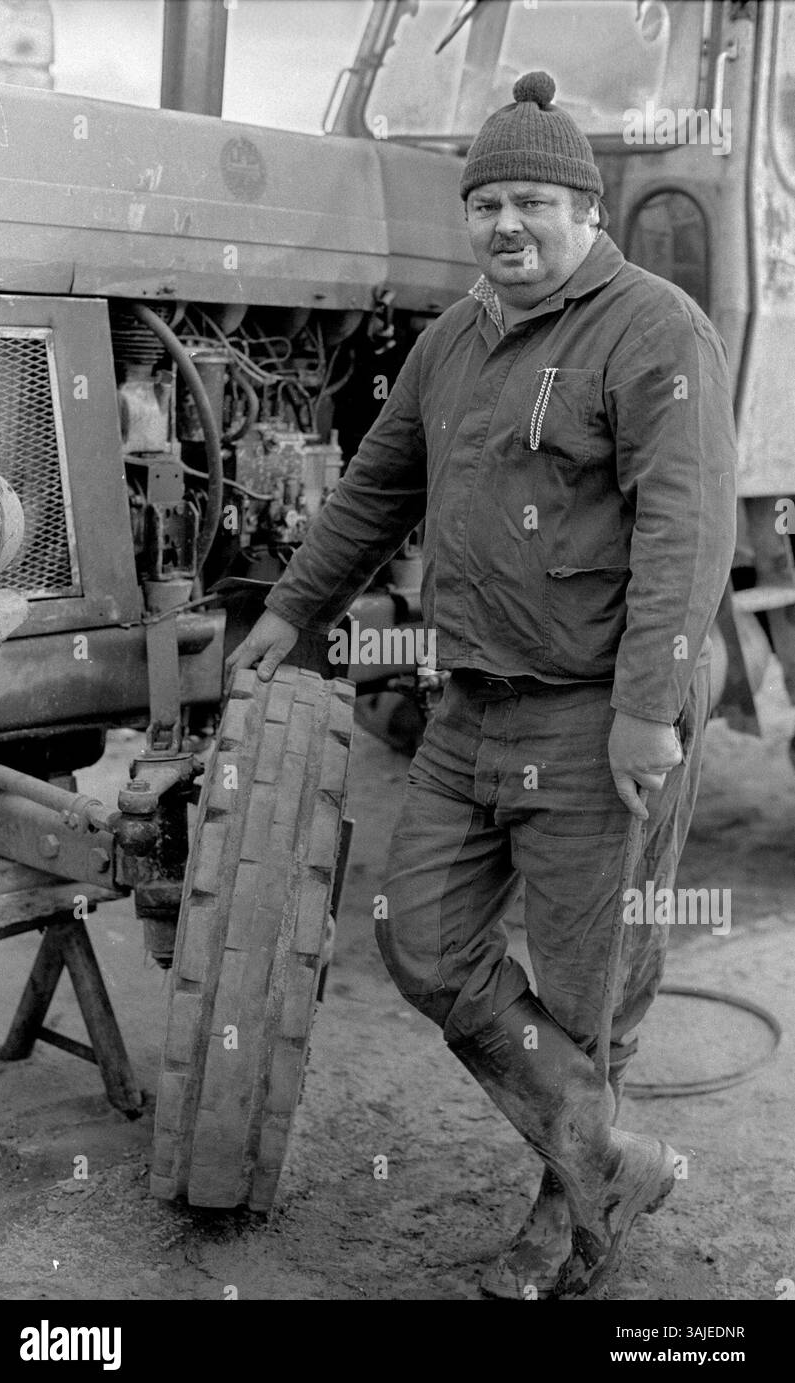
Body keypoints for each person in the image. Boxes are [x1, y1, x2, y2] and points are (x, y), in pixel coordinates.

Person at [226, 71, 737, 1300]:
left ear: (587, 210)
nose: (505, 225)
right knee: (423, 938)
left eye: (532, 203)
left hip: (593, 708)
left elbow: (688, 530)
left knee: (586, 986)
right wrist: (294, 609)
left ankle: (569, 1233)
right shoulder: (454, 341)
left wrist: (642, 713)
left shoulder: (656, 328)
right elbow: (373, 489)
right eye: (486, 204)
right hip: (471, 706)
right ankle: (609, 1159)